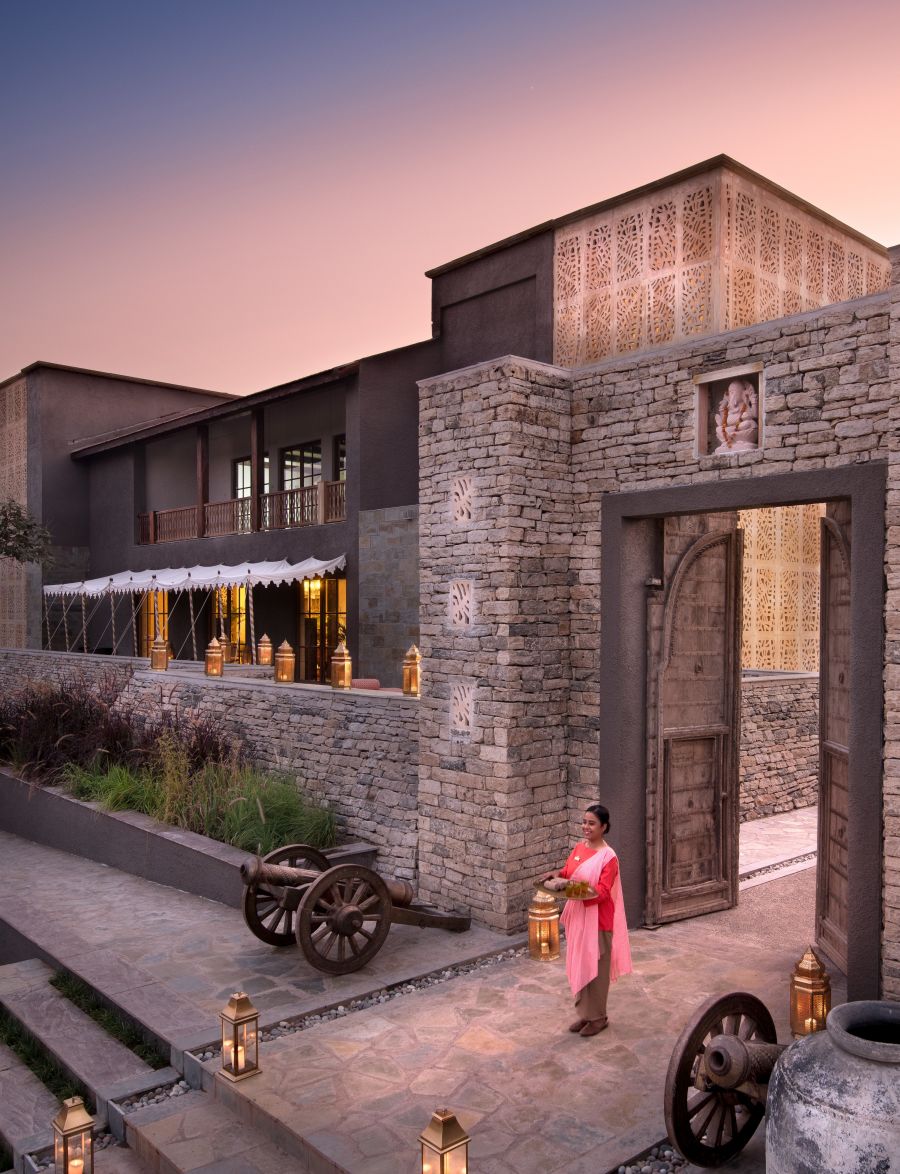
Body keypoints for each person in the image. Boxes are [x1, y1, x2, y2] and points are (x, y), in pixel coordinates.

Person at [541, 804, 632, 1037]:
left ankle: (599, 1018)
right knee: (580, 963)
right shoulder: (580, 847)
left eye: (591, 823)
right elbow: (570, 870)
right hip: (579, 917)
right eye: (584, 822)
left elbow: (602, 891)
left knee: (597, 969)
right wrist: (558, 875)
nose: (586, 827)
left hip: (599, 919)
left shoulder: (609, 857)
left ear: (604, 827)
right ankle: (585, 1014)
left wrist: (574, 891)